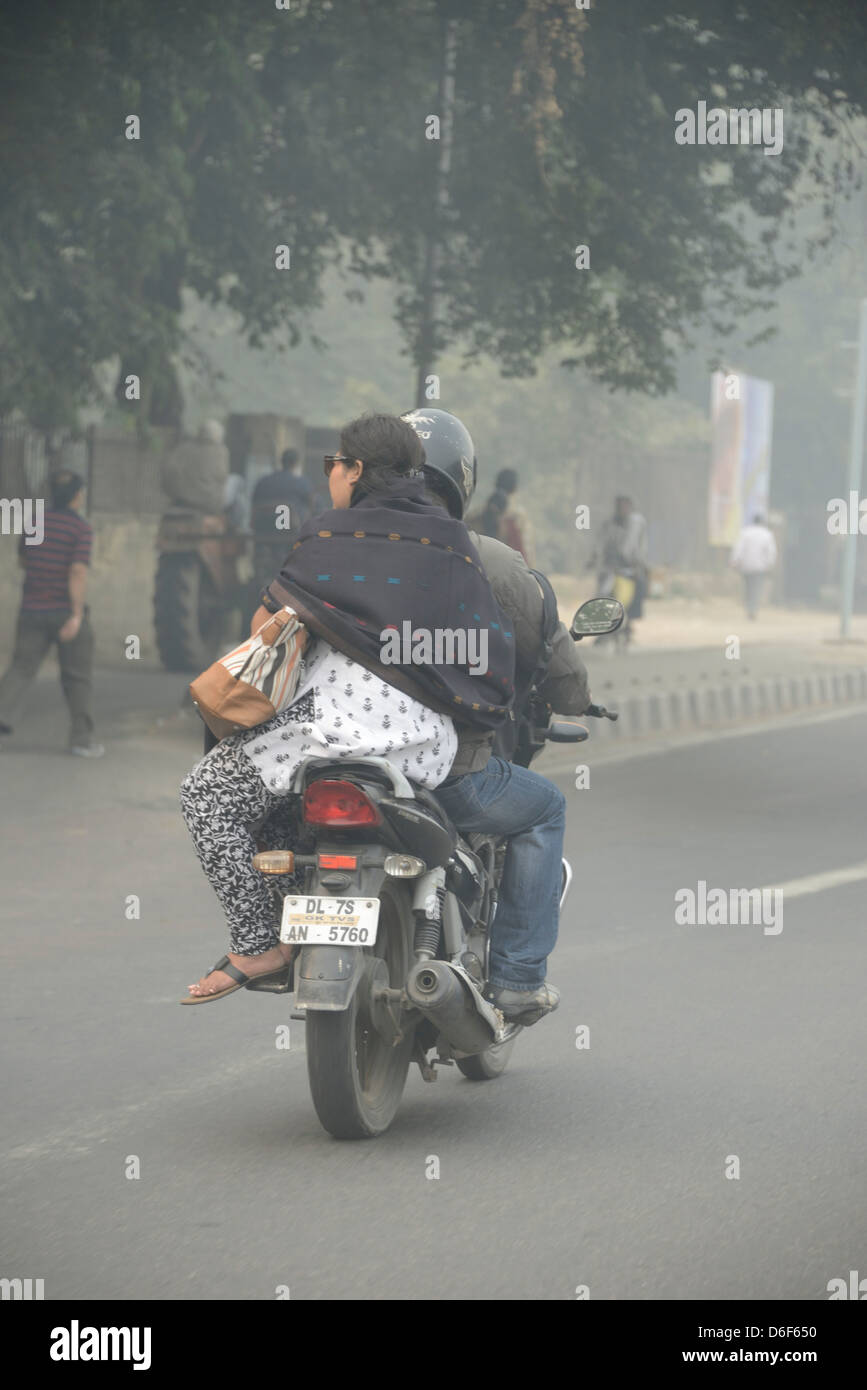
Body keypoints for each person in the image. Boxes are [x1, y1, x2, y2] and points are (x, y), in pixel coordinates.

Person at [180, 413, 514, 1003]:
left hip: (319, 733)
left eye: (334, 462)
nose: (331, 473)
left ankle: (260, 942)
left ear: (357, 470)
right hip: (420, 748)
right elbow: (486, 652)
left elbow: (264, 629)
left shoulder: (329, 535)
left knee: (206, 796)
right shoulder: (455, 543)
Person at [400, 408, 593, 1026]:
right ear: (461, 482)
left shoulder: (333, 543)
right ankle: (515, 978)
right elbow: (562, 677)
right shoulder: (499, 563)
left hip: (336, 759)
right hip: (447, 769)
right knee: (544, 808)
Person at [0, 469, 103, 757]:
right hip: (63, 611)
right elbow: (78, 571)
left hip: (32, 610)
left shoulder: (35, 523)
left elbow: (23, 559)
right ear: (77, 496)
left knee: (21, 667)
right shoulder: (81, 529)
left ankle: (3, 713)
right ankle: (81, 740)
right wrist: (76, 615)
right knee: (77, 677)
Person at [593, 494, 648, 643]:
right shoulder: (609, 524)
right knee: (603, 595)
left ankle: (628, 624)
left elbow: (637, 547)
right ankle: (603, 629)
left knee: (635, 593)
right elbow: (600, 544)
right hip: (610, 568)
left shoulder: (637, 523)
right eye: (619, 506)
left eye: (625, 506)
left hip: (629, 569)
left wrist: (637, 563)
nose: (622, 509)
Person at [730, 513, 777, 619]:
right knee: (756, 589)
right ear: (762, 522)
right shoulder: (767, 534)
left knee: (748, 588)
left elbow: (738, 548)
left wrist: (735, 560)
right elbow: (771, 551)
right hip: (760, 566)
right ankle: (753, 609)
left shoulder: (745, 533)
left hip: (746, 565)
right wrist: (770, 563)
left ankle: (749, 608)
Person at [495, 467, 536, 566]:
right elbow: (525, 551)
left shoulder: (479, 513)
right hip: (512, 571)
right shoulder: (518, 516)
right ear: (515, 488)